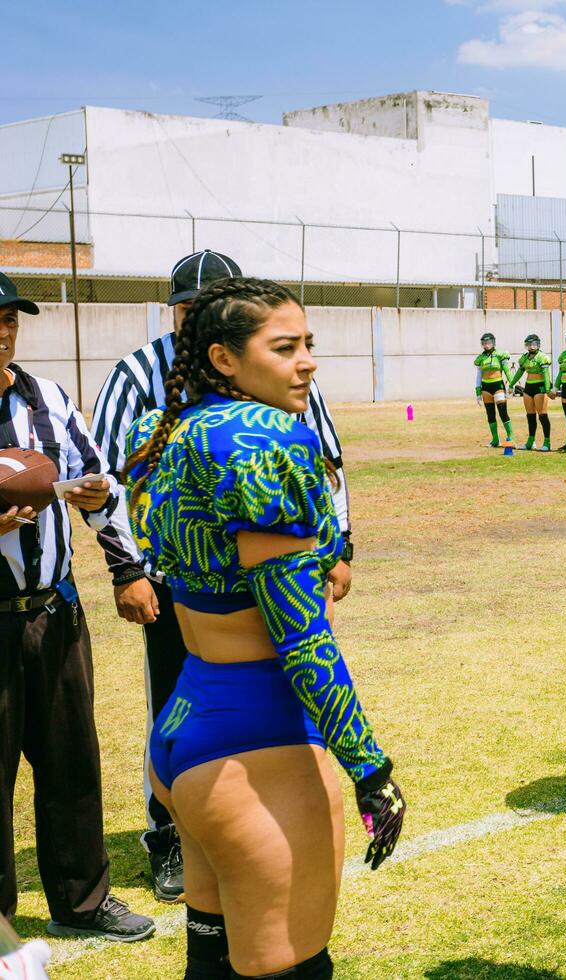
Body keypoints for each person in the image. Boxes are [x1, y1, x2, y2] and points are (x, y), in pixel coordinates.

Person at [125, 276, 405, 978]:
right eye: (284, 348)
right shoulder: (265, 438)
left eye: (308, 344)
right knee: (294, 969)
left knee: (213, 963)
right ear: (225, 358)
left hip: (191, 719)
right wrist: (371, 769)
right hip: (258, 737)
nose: (307, 361)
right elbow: (300, 634)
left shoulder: (169, 428)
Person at [89, 250, 357, 904]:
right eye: (190, 310)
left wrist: (337, 547)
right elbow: (105, 481)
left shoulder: (276, 362)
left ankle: (264, 816)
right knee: (180, 707)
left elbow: (327, 461)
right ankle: (171, 837)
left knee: (274, 699)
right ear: (172, 311)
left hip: (271, 581)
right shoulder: (136, 376)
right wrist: (129, 569)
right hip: (180, 585)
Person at [0, 273, 155, 942]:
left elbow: (100, 484)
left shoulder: (49, 401)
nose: (3, 330)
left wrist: (127, 568)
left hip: (55, 614)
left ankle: (83, 900)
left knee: (71, 764)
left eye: (10, 318)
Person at [510, 336, 553, 452]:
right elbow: (519, 372)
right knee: (530, 415)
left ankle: (547, 442)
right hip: (528, 387)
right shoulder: (524, 358)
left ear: (538, 344)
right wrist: (511, 384)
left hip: (540, 387)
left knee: (542, 415)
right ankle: (531, 441)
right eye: (528, 344)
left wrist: (548, 389)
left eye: (533, 344)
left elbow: (545, 374)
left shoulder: (542, 357)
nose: (531, 346)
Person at [474, 332, 514, 448]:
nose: (486, 345)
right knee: (490, 414)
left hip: (498, 385)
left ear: (493, 343)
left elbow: (506, 370)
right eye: (484, 343)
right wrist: (477, 392)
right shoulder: (480, 358)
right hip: (486, 387)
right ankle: (495, 439)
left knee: (502, 412)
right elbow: (478, 376)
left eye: (488, 343)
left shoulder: (500, 355)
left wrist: (511, 385)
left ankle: (511, 437)